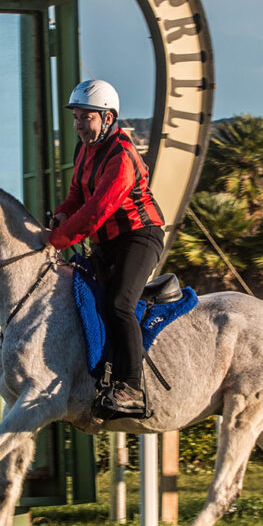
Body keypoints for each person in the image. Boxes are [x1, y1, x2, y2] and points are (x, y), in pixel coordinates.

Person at [41, 79, 166, 418]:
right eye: (76, 117)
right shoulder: (84, 148)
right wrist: (61, 215)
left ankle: (133, 388)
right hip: (107, 242)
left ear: (108, 118)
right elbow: (76, 196)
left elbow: (96, 211)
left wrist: (55, 241)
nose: (79, 125)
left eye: (87, 118)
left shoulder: (122, 156)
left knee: (119, 302)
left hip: (139, 237)